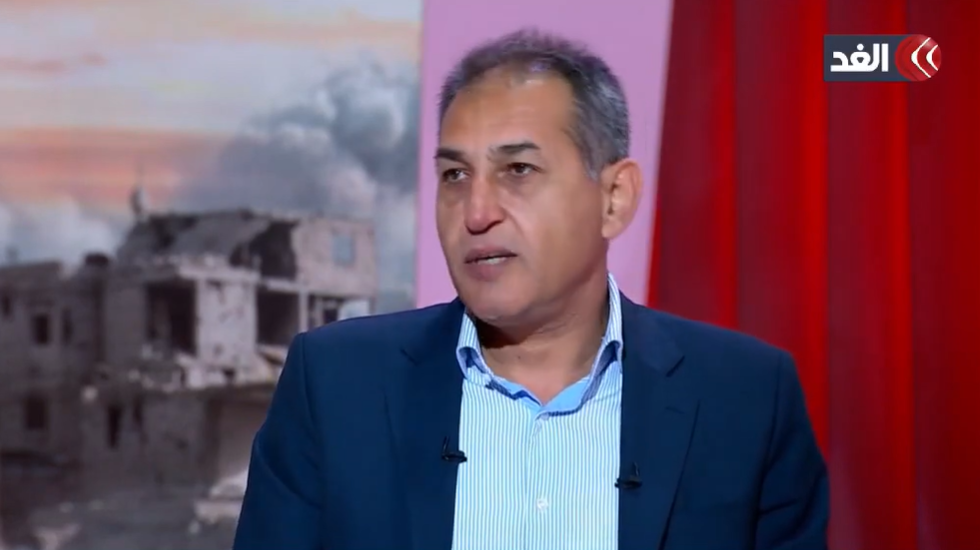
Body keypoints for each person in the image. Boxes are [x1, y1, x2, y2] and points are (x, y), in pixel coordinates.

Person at [233, 28, 828, 550]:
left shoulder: (746, 398)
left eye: (518, 170)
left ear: (614, 198)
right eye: (455, 175)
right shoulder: (336, 386)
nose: (476, 212)